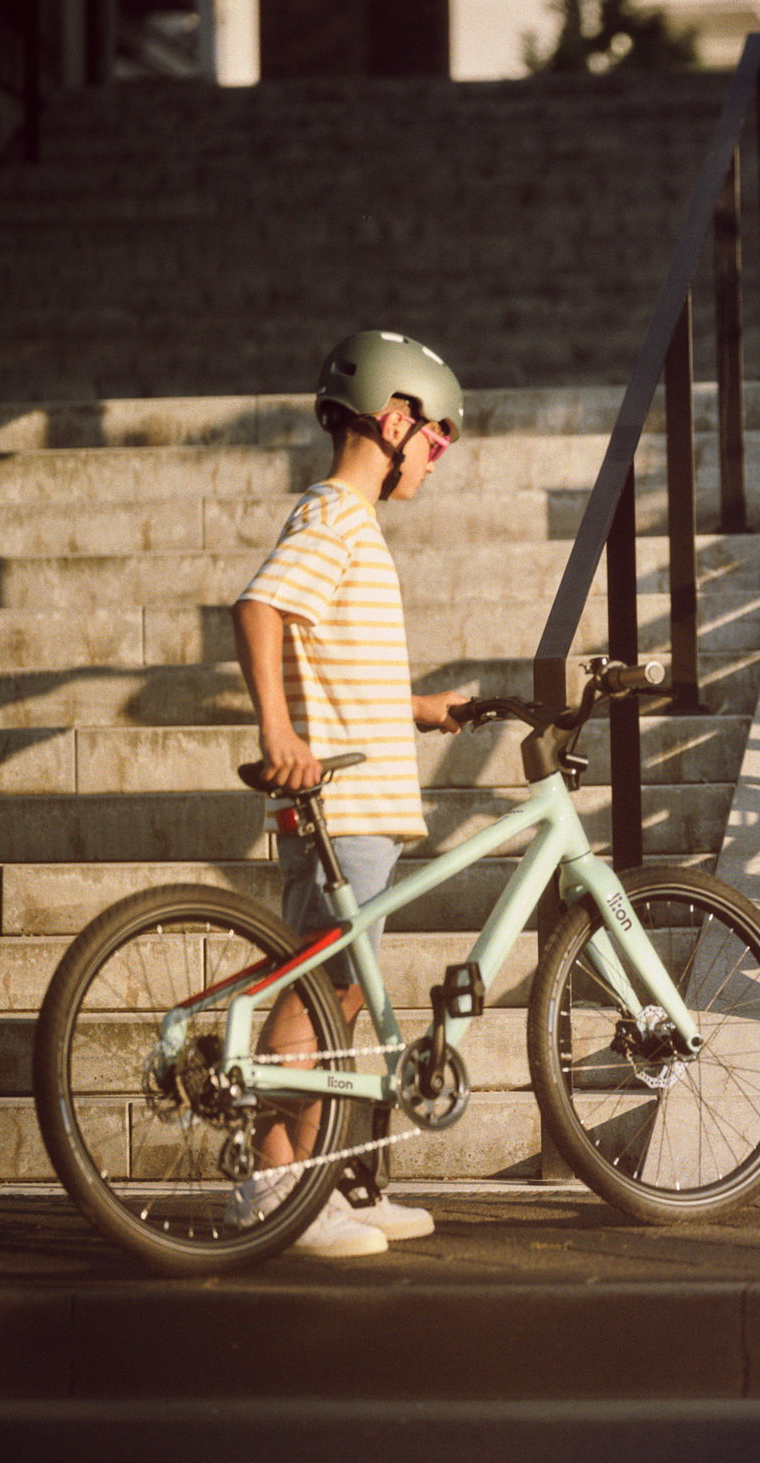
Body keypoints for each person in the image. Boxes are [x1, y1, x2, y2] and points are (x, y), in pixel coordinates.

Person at [228, 329, 472, 1257]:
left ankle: (324, 1178)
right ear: (394, 417)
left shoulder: (350, 526)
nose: (436, 459)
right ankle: (272, 1186)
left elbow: (333, 660)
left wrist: (418, 707)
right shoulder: (333, 514)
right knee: (322, 988)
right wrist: (277, 733)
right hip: (337, 807)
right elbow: (260, 608)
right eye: (437, 440)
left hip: (365, 807)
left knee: (345, 992)